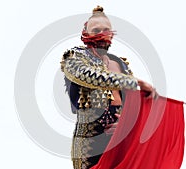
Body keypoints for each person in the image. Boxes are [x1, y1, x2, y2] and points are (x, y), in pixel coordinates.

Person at [60, 6, 158, 169]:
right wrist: (136, 82)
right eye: (96, 30)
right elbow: (90, 76)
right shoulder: (74, 57)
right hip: (90, 143)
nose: (101, 34)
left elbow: (133, 104)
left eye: (106, 30)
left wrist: (127, 125)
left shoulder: (120, 64)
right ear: (85, 33)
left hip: (121, 139)